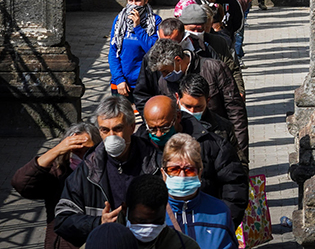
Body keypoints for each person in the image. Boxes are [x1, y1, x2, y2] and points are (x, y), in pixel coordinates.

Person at [54, 96, 161, 247]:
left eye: (117, 129)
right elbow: (63, 219)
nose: (111, 136)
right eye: (105, 130)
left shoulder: (155, 163)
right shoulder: (88, 168)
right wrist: (98, 222)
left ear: (132, 127)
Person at [133, 96, 247, 226]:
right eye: (152, 129)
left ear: (178, 117)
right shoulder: (138, 148)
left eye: (164, 128)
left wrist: (222, 224)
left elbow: (235, 187)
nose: (158, 134)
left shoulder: (211, 144)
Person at [147, 39, 248, 159]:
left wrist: (241, 155)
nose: (164, 76)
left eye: (165, 71)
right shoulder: (164, 83)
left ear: (178, 60)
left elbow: (236, 112)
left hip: (219, 141)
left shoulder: (213, 69)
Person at [12, 122, 101, 249]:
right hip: (63, 242)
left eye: (87, 151)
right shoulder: (58, 173)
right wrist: (56, 150)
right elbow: (21, 183)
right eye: (76, 151)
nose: (82, 156)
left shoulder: (107, 171)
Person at [162, 134, 238, 249]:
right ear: (163, 174)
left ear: (199, 173)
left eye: (189, 170)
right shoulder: (152, 212)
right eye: (174, 170)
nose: (182, 176)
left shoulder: (219, 211)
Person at [108, 0, 161, 99]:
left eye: (137, 1)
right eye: (130, 1)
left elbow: (152, 49)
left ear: (146, 0)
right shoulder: (119, 20)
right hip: (122, 83)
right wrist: (119, 79)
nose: (133, 5)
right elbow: (113, 51)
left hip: (144, 82)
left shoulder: (155, 21)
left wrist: (138, 28)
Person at [178, 3, 245, 96]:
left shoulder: (217, 42)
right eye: (192, 30)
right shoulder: (177, 44)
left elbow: (232, 68)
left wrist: (240, 91)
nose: (196, 33)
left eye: (200, 30)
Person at [177, 75, 242, 164]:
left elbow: (238, 162)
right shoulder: (169, 124)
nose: (192, 111)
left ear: (207, 101)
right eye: (187, 106)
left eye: (198, 107)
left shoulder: (223, 128)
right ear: (177, 98)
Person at [124, 175, 200, 249]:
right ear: (125, 210)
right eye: (141, 221)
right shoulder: (116, 241)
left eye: (157, 222)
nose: (150, 230)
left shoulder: (184, 245)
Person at [133, 18, 187, 112]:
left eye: (173, 42)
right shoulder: (151, 57)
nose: (166, 47)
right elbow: (141, 94)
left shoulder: (201, 51)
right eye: (163, 41)